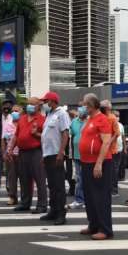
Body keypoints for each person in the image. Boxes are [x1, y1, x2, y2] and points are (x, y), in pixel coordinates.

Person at [78, 93, 114, 240]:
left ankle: (105, 229)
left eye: (84, 104)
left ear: (91, 105)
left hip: (99, 163)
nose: (82, 106)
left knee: (100, 197)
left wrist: (99, 163)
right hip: (86, 162)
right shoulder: (90, 119)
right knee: (89, 196)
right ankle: (93, 224)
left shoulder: (102, 120)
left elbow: (106, 142)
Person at [7, 98, 46, 213]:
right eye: (28, 104)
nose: (29, 106)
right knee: (24, 179)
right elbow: (16, 135)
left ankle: (42, 205)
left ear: (38, 106)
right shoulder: (22, 119)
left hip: (36, 151)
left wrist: (36, 134)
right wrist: (11, 148)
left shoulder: (42, 119)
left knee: (39, 179)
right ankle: (25, 203)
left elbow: (46, 137)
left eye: (32, 104)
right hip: (22, 152)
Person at [40, 91, 71, 225]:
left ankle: (61, 213)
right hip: (48, 154)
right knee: (51, 185)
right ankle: (53, 210)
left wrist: (61, 152)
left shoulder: (61, 114)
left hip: (56, 154)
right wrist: (43, 154)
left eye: (46, 101)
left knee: (58, 186)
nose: (44, 104)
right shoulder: (49, 114)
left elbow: (65, 134)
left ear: (52, 101)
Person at [0, 97, 14, 196]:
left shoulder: (13, 117)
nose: (7, 107)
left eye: (9, 105)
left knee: (10, 168)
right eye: (5, 105)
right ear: (1, 106)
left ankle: (10, 187)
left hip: (10, 145)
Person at [67, 103, 87, 210]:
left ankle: (88, 199)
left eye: (84, 107)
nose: (82, 109)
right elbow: (72, 137)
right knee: (79, 179)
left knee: (88, 178)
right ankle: (79, 200)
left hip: (89, 155)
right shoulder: (74, 122)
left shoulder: (90, 121)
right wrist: (72, 154)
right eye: (80, 107)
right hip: (77, 155)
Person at [100, 100, 121, 196]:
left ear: (108, 108)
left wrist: (108, 142)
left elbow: (117, 133)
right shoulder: (100, 117)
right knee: (104, 171)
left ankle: (114, 190)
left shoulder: (112, 118)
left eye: (103, 107)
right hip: (102, 150)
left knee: (112, 171)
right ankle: (105, 189)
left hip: (112, 150)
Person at [2, 105, 21, 206]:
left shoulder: (23, 124)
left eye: (17, 111)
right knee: (12, 177)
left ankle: (25, 197)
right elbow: (3, 140)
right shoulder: (7, 125)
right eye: (13, 111)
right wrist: (4, 153)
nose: (14, 112)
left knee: (24, 177)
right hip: (11, 154)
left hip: (22, 154)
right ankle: (12, 197)